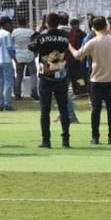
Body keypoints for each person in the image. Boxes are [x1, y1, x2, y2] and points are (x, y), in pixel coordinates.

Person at [68, 17, 111, 145]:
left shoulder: (92, 42)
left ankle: (95, 137)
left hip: (96, 80)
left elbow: (78, 55)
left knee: (96, 110)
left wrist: (70, 46)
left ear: (93, 28)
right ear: (106, 26)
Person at [31, 14, 71, 148]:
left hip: (45, 76)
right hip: (61, 75)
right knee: (63, 108)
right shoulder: (65, 37)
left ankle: (46, 140)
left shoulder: (41, 38)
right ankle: (66, 140)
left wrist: (37, 32)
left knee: (45, 110)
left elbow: (31, 46)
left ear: (46, 23)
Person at [0, 12, 17, 111]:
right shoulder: (7, 34)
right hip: (6, 60)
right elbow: (10, 48)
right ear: (6, 24)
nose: (11, 27)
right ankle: (7, 103)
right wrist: (15, 58)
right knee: (8, 82)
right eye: (10, 24)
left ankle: (0, 104)